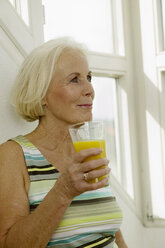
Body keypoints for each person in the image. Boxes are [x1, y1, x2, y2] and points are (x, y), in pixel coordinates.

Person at [0, 37, 128, 248]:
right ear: (41, 94)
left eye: (89, 77)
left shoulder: (87, 150)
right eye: (74, 79)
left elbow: (110, 232)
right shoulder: (13, 155)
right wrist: (63, 191)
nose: (89, 89)